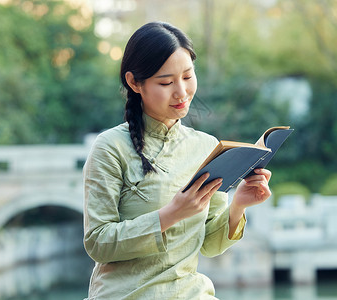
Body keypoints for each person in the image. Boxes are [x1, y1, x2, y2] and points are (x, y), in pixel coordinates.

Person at [83, 21, 272, 300]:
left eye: (187, 76)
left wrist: (239, 204)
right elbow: (98, 242)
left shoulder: (206, 147)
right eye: (166, 82)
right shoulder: (110, 148)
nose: (181, 92)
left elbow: (208, 243)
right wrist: (170, 214)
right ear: (134, 82)